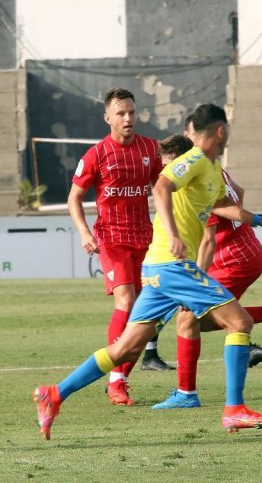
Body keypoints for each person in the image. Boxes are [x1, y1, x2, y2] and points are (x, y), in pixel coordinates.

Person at [34, 103, 262, 440]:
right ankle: (234, 410)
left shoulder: (210, 168)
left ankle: (54, 394)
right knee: (239, 322)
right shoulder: (194, 160)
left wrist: (259, 220)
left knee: (125, 349)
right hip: (172, 264)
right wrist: (172, 234)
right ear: (221, 131)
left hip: (156, 268)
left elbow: (218, 206)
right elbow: (161, 188)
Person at [151, 132, 262, 410]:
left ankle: (188, 394)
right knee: (199, 318)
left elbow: (208, 239)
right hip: (243, 250)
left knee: (188, 317)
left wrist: (193, 282)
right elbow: (238, 193)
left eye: (168, 165)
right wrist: (257, 221)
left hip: (232, 257)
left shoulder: (195, 182)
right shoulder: (212, 168)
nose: (164, 171)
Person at [67, 87, 172, 409]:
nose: (128, 118)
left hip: (147, 239)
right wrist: (85, 232)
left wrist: (171, 226)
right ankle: (115, 381)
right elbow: (74, 198)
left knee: (150, 314)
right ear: (108, 118)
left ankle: (120, 377)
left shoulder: (149, 149)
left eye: (132, 112)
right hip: (112, 239)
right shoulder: (96, 154)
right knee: (127, 301)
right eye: (121, 113)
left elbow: (161, 188)